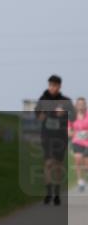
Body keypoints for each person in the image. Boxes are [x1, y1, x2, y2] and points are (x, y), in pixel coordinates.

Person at [35, 75, 75, 205]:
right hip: (47, 136)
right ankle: (48, 193)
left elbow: (74, 117)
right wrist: (41, 115)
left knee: (57, 165)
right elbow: (37, 113)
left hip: (60, 137)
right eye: (50, 85)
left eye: (54, 85)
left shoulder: (65, 101)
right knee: (48, 163)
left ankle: (57, 194)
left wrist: (64, 113)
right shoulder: (43, 99)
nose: (52, 87)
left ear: (59, 86)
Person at [69, 97, 88, 193]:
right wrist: (71, 133)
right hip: (77, 141)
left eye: (82, 104)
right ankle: (80, 181)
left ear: (85, 105)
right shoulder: (72, 117)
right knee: (78, 160)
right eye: (79, 104)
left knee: (86, 164)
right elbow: (69, 129)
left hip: (87, 142)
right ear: (76, 106)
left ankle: (85, 177)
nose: (81, 106)